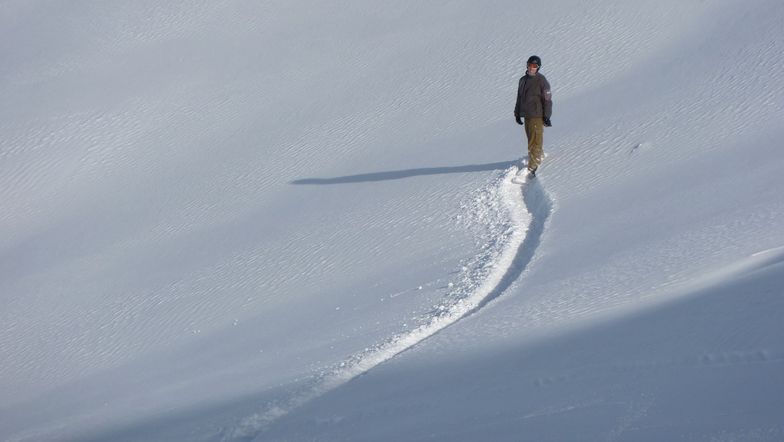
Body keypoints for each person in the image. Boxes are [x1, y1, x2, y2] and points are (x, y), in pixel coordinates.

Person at [514, 55, 552, 177]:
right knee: (531, 139)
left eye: (534, 66)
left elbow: (547, 100)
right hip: (527, 116)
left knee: (535, 141)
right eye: (530, 65)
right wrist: (517, 114)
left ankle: (533, 166)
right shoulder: (523, 80)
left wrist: (546, 115)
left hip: (537, 115)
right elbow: (519, 98)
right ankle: (538, 156)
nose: (531, 68)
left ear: (538, 68)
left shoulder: (542, 81)